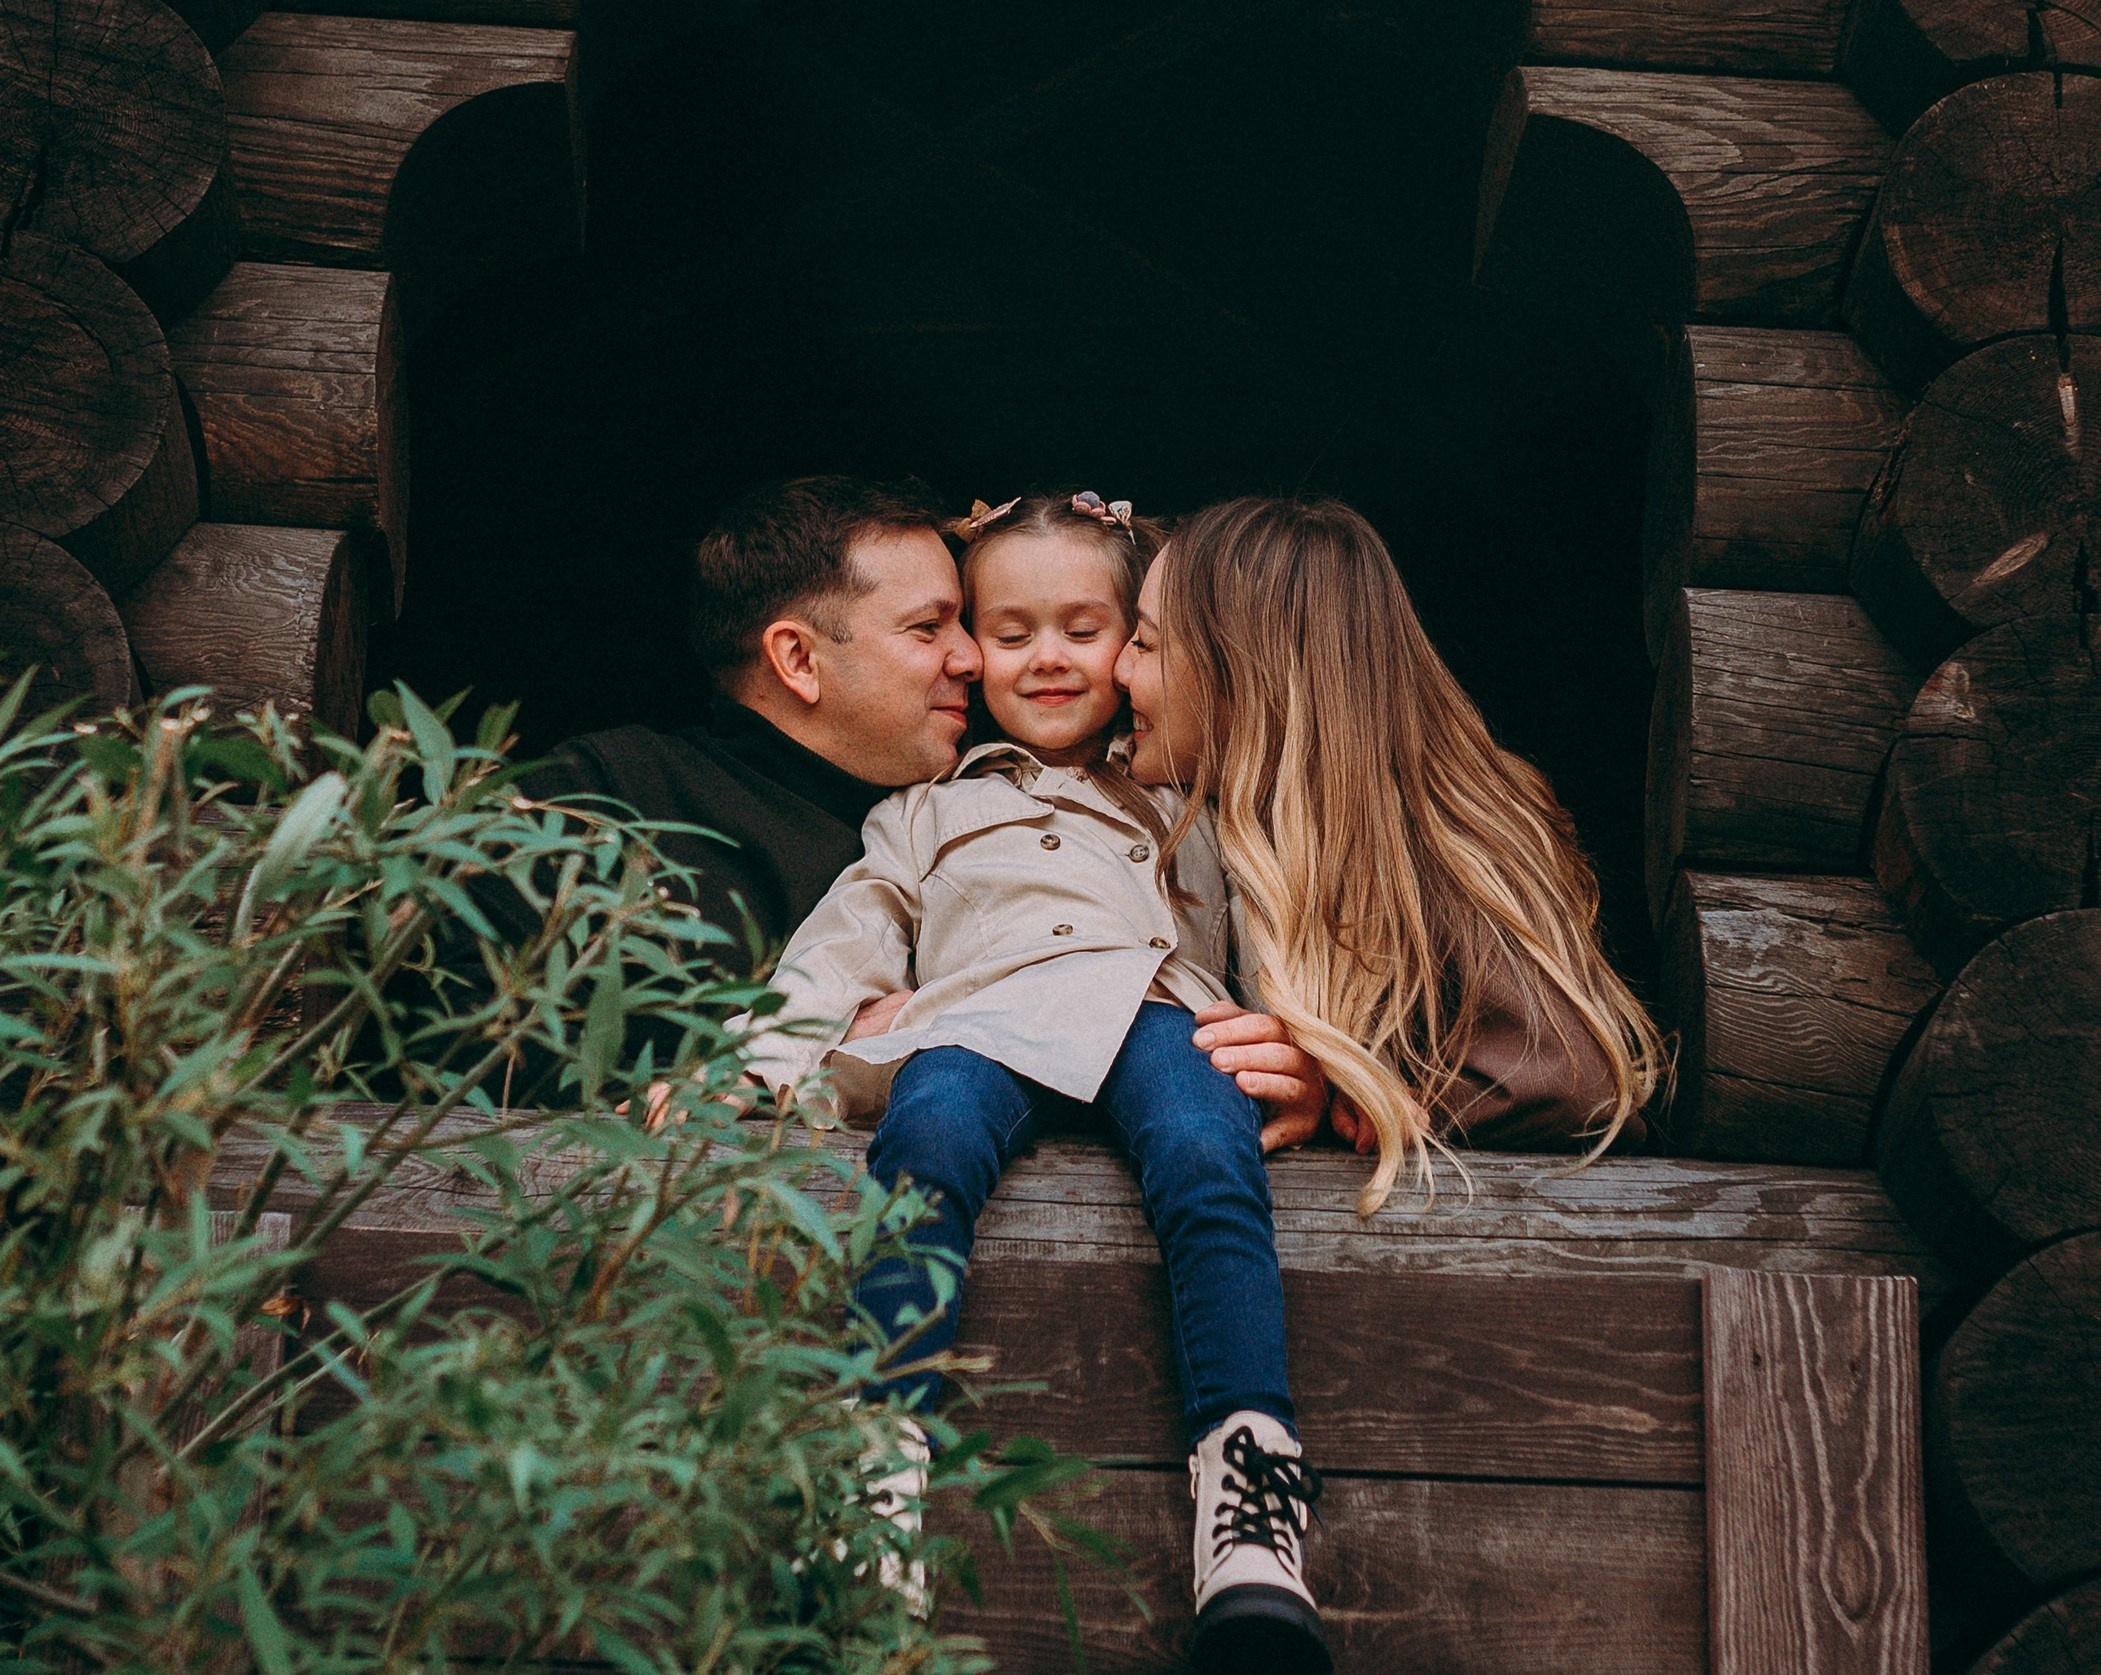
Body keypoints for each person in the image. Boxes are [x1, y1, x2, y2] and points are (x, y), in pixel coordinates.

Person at [744, 492, 1332, 1675]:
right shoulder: (922, 812)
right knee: (923, 1151)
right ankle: (872, 1481)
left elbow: (1293, 932)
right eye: (1009, 631)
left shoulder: (1190, 796)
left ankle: (1252, 1510)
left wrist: (1325, 1053)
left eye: (1083, 627)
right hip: (978, 1024)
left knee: (1209, 1166)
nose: (1047, 657)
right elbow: (837, 947)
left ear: (1139, 640)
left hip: (1160, 1015)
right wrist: (750, 1070)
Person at [1113, 495, 1669, 1221]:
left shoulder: (1427, 848)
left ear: (1242, 678)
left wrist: (1362, 1091)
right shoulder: (1189, 806)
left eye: (1146, 644)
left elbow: (1570, 1078)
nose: (1115, 668)